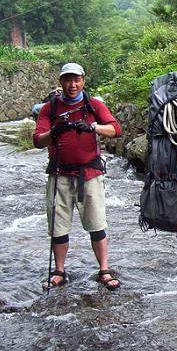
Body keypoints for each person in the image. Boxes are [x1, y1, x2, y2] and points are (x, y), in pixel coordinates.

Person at [33, 63, 123, 288]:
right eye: (67, 80)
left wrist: (93, 127)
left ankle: (104, 270)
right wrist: (53, 132)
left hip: (89, 174)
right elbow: (37, 140)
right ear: (61, 81)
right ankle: (59, 272)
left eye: (77, 80)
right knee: (58, 226)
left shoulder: (93, 106)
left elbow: (115, 129)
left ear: (83, 80)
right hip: (58, 174)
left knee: (97, 224)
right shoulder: (49, 109)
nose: (72, 85)